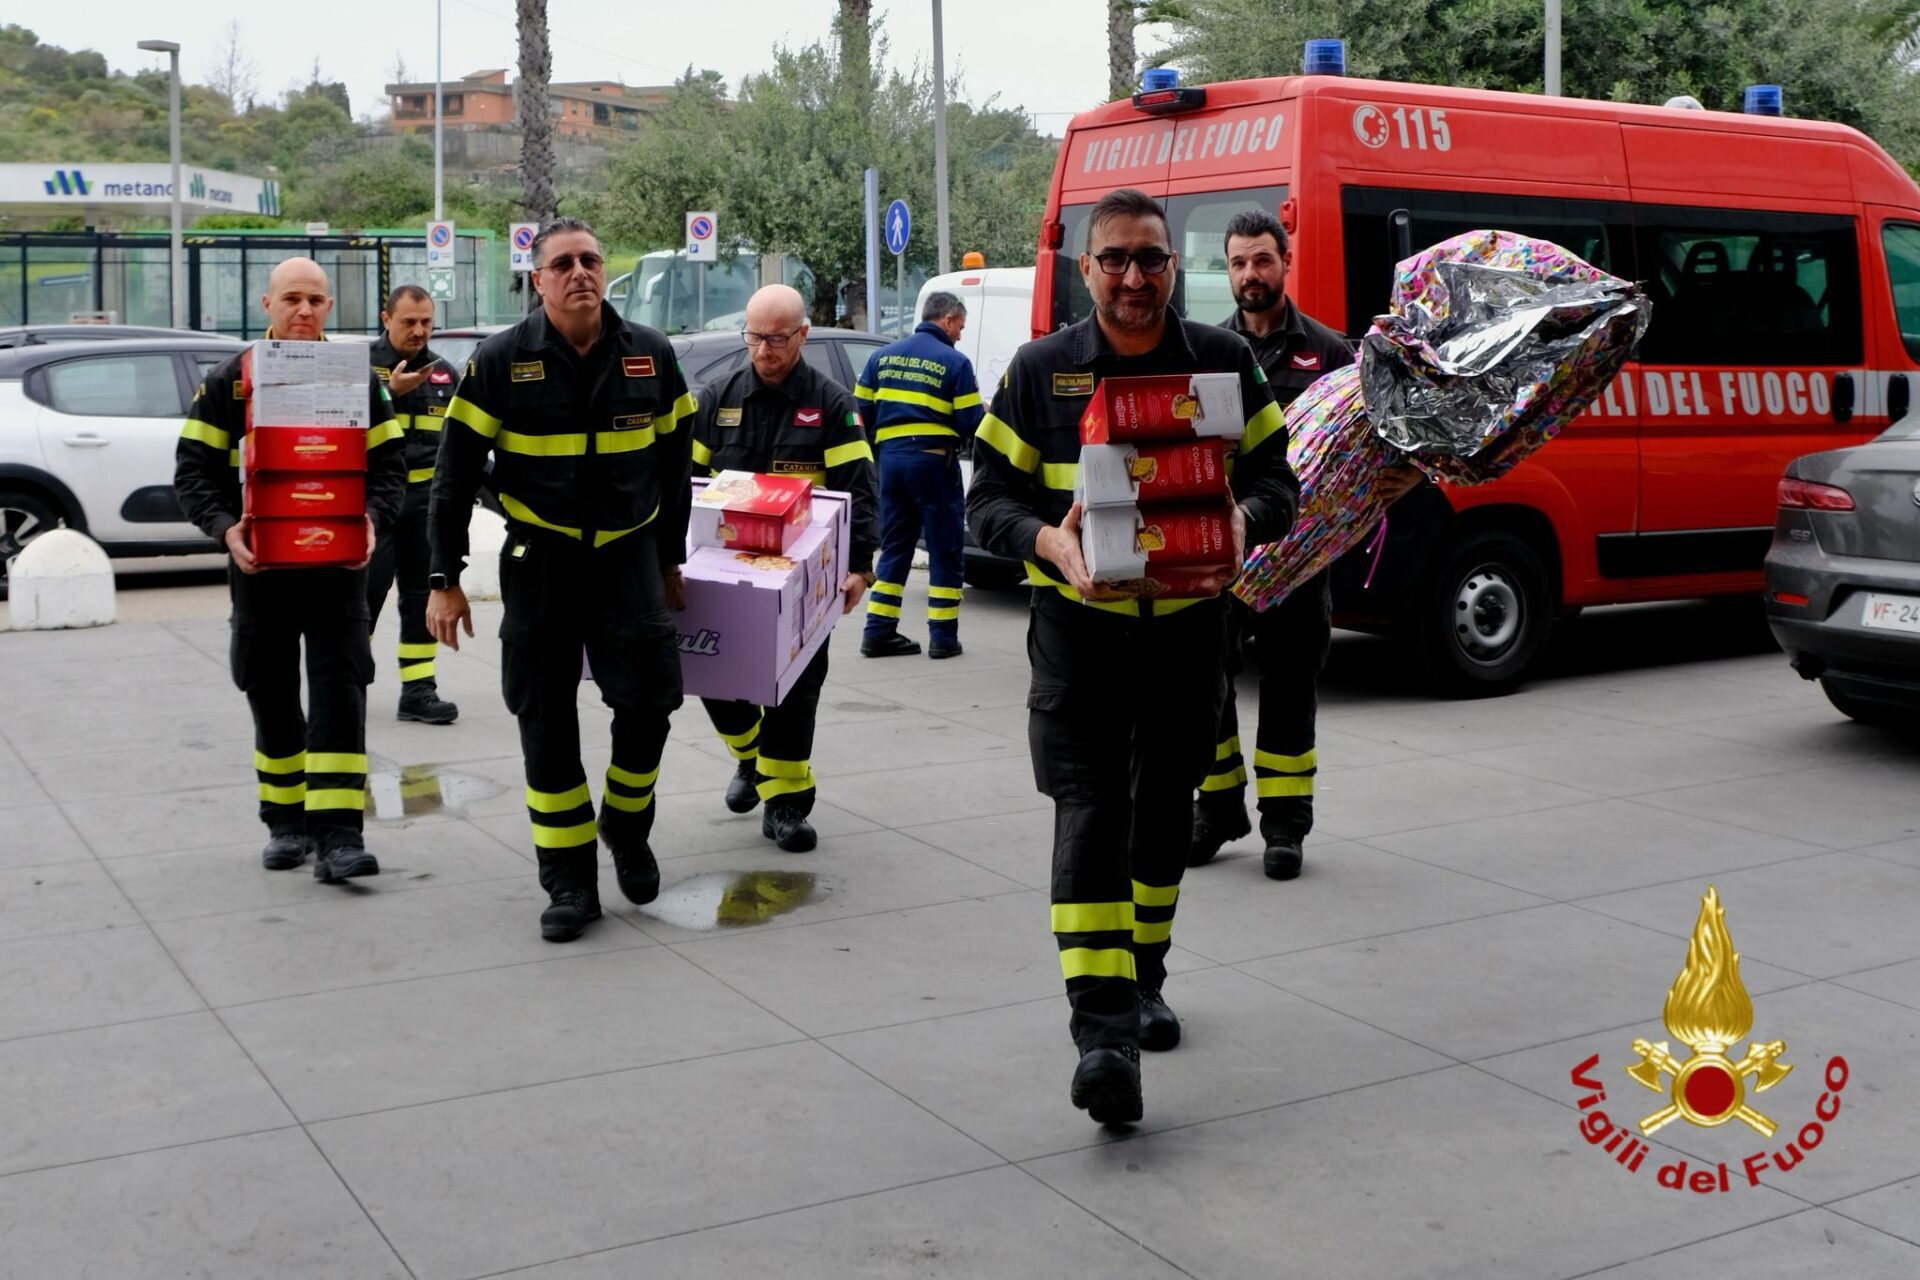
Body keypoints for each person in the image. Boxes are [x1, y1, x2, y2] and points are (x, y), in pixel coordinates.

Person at [966, 188, 1300, 1125]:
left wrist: (1242, 515)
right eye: (1114, 259)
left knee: (1159, 825)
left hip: (1192, 633)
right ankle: (1102, 1034)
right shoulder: (1041, 371)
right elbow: (985, 499)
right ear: (1087, 270)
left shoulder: (1225, 361)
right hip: (1079, 638)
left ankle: (1144, 975)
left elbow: (1282, 481)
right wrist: (1050, 546)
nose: (1133, 277)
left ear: (1172, 267)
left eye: (1150, 259)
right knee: (1089, 819)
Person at [424, 217, 696, 943]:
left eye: (592, 260)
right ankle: (570, 881)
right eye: (563, 263)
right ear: (537, 279)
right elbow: (451, 479)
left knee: (651, 706)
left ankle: (628, 828)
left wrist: (669, 558)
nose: (581, 272)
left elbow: (676, 466)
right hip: (539, 564)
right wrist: (442, 577)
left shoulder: (651, 353)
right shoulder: (499, 359)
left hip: (629, 561)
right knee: (545, 726)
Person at [1189, 210, 1423, 880]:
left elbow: (1393, 431)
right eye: (1237, 263)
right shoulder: (1206, 350)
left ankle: (1285, 829)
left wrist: (1411, 475)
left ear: (1285, 263)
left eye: (1261, 261)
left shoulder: (1330, 352)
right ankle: (1217, 807)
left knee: (1290, 689)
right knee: (1205, 685)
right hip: (1222, 555)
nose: (1249, 275)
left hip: (1299, 557)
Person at [173, 257, 407, 882]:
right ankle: (285, 823)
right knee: (269, 691)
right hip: (263, 574)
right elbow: (191, 473)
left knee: (340, 695)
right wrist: (226, 529)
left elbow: (390, 472)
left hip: (338, 575)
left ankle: (340, 837)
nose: (305, 311)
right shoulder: (230, 381)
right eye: (293, 299)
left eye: (317, 301)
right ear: (267, 305)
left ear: (330, 307)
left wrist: (372, 522)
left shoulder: (359, 380)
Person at [688, 284, 879, 853]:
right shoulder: (715, 397)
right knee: (713, 672)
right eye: (754, 336)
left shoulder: (833, 405)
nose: (764, 348)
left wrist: (860, 568)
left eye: (776, 338)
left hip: (802, 578)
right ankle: (750, 757)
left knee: (796, 689)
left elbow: (859, 492)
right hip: (722, 571)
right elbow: (685, 486)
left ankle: (787, 805)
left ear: (802, 335)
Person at [853, 290, 982, 660]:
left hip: (892, 465)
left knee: (894, 547)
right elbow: (971, 421)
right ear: (947, 320)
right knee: (944, 549)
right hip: (934, 464)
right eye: (960, 325)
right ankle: (943, 638)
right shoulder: (954, 363)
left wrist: (884, 451)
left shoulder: (880, 357)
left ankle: (877, 632)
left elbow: (861, 409)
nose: (960, 333)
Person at [365, 284, 459, 725]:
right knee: (363, 599)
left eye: (426, 322)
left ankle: (418, 692)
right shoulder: (361, 370)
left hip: (426, 508)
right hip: (375, 508)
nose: (419, 331)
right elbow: (337, 432)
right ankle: (346, 688)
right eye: (409, 322)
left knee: (422, 600)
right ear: (386, 320)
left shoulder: (446, 375)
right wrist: (391, 392)